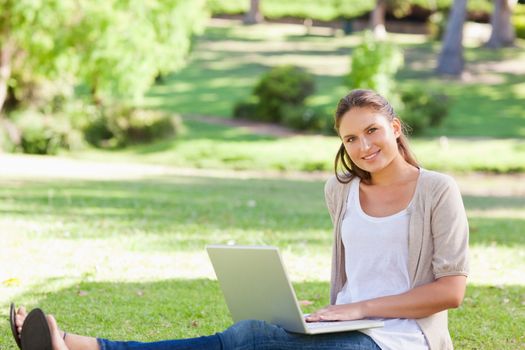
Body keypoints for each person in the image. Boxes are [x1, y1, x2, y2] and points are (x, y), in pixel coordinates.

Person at [11, 89, 469, 350]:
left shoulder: (436, 190)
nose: (363, 146)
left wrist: (361, 309)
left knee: (254, 341)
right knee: (251, 335)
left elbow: (451, 291)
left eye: (372, 131)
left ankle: (85, 348)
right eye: (350, 139)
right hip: (341, 323)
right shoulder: (342, 191)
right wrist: (339, 312)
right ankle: (83, 346)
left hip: (402, 339)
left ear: (394, 126)